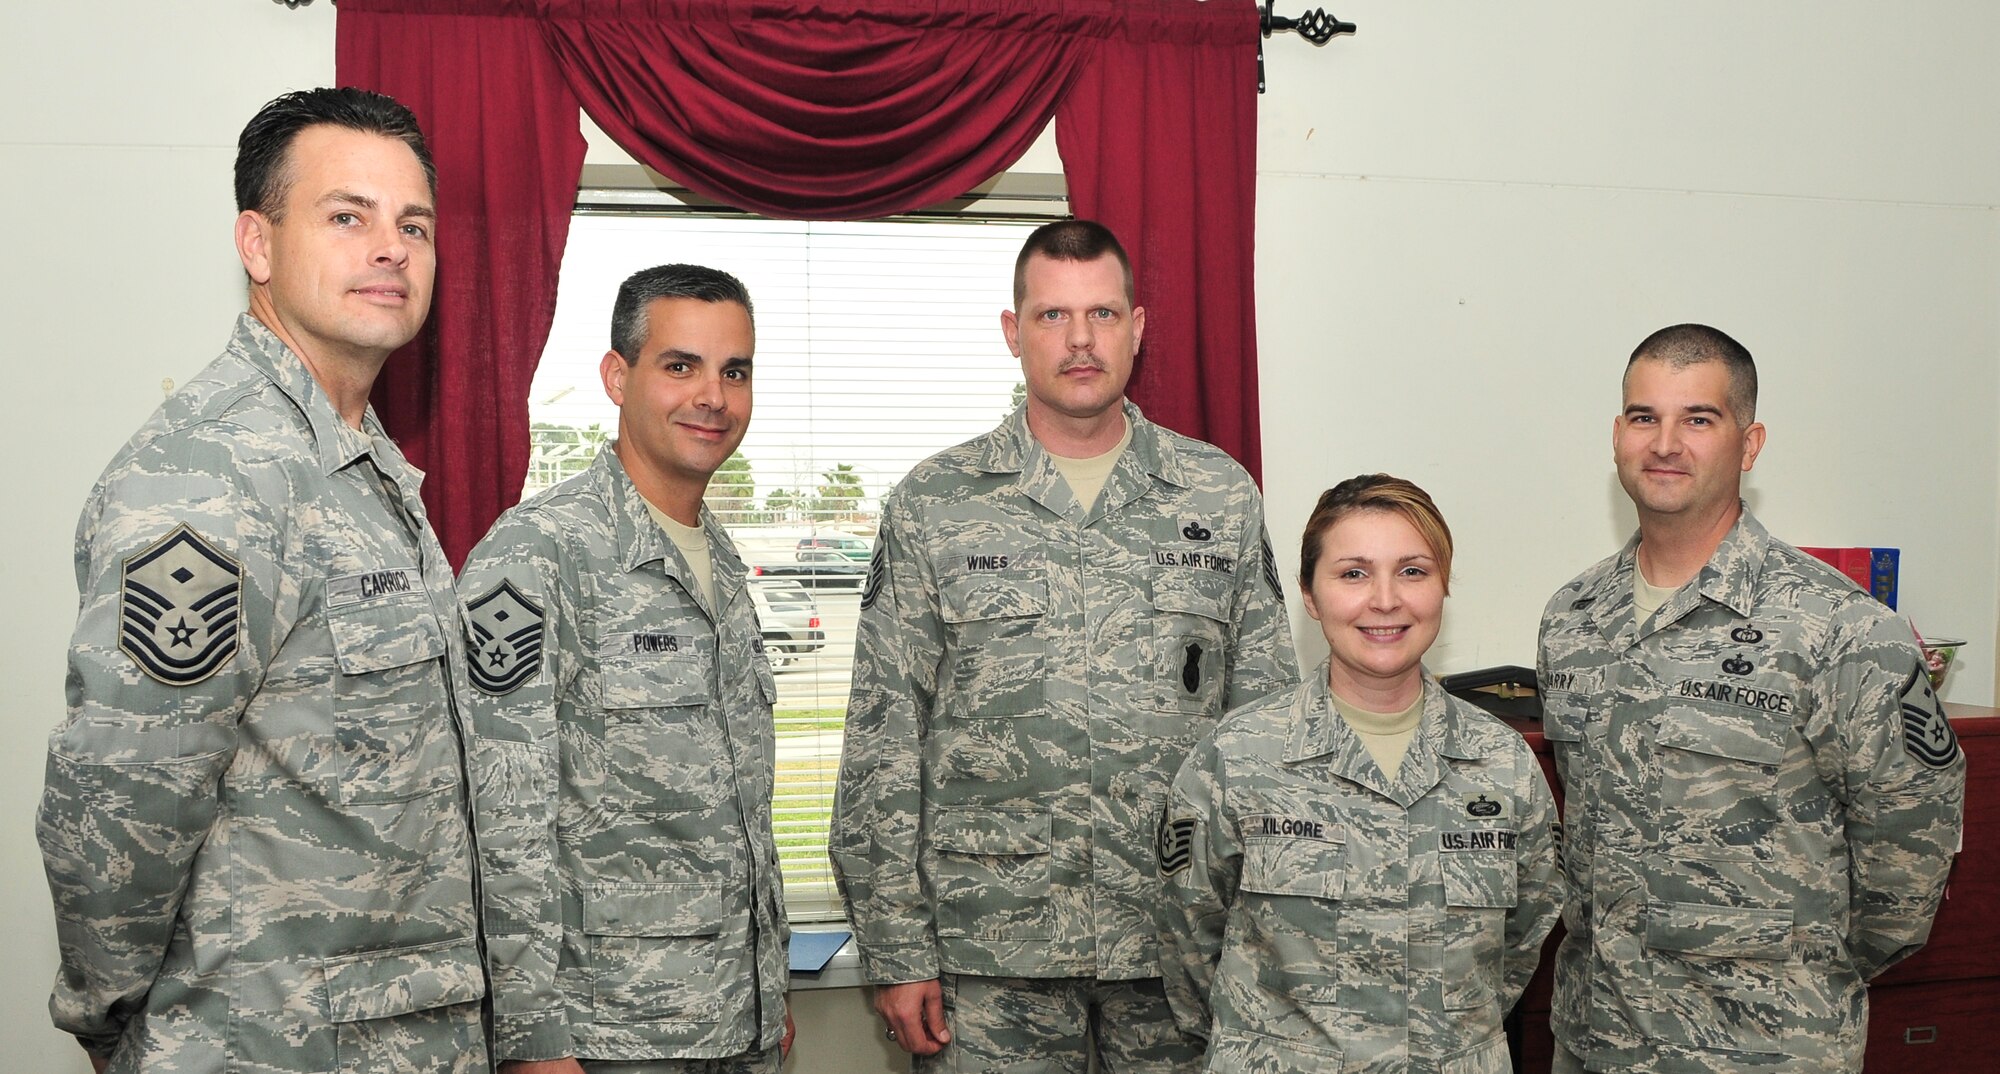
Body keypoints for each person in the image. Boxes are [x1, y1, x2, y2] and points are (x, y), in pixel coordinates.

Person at [38, 88, 485, 1072]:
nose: (391, 248)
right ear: (257, 243)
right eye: (346, 216)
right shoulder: (215, 473)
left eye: (412, 223)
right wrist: (118, 1019)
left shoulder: (365, 468)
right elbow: (122, 797)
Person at [830, 219, 1299, 1072]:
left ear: (1138, 328)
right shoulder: (935, 503)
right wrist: (898, 951)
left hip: (1179, 945)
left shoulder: (1217, 495)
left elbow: (1267, 732)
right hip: (992, 951)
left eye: (1103, 315)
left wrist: (1264, 929)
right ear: (1013, 333)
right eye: (1052, 316)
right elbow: (882, 741)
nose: (1080, 341)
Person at [1537, 324, 1968, 1073]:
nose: (1665, 442)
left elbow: (1909, 861)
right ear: (1616, 436)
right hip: (1596, 1040)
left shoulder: (1840, 628)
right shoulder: (1572, 618)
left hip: (1761, 1049)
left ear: (1750, 441)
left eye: (1698, 419)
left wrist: (1801, 980)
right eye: (1645, 417)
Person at [459, 264, 793, 1074]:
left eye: (734, 371)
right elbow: (500, 822)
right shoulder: (537, 556)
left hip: (736, 1023)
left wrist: (768, 995)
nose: (712, 396)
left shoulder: (720, 559)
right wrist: (534, 1040)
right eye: (680, 366)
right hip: (610, 1039)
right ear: (618, 376)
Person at [1159, 475, 1562, 1073]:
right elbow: (1188, 940)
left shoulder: (1503, 766)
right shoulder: (1237, 757)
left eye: (1413, 571)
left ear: (1443, 586)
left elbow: (1521, 945)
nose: (1385, 599)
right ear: (1311, 595)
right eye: (1353, 573)